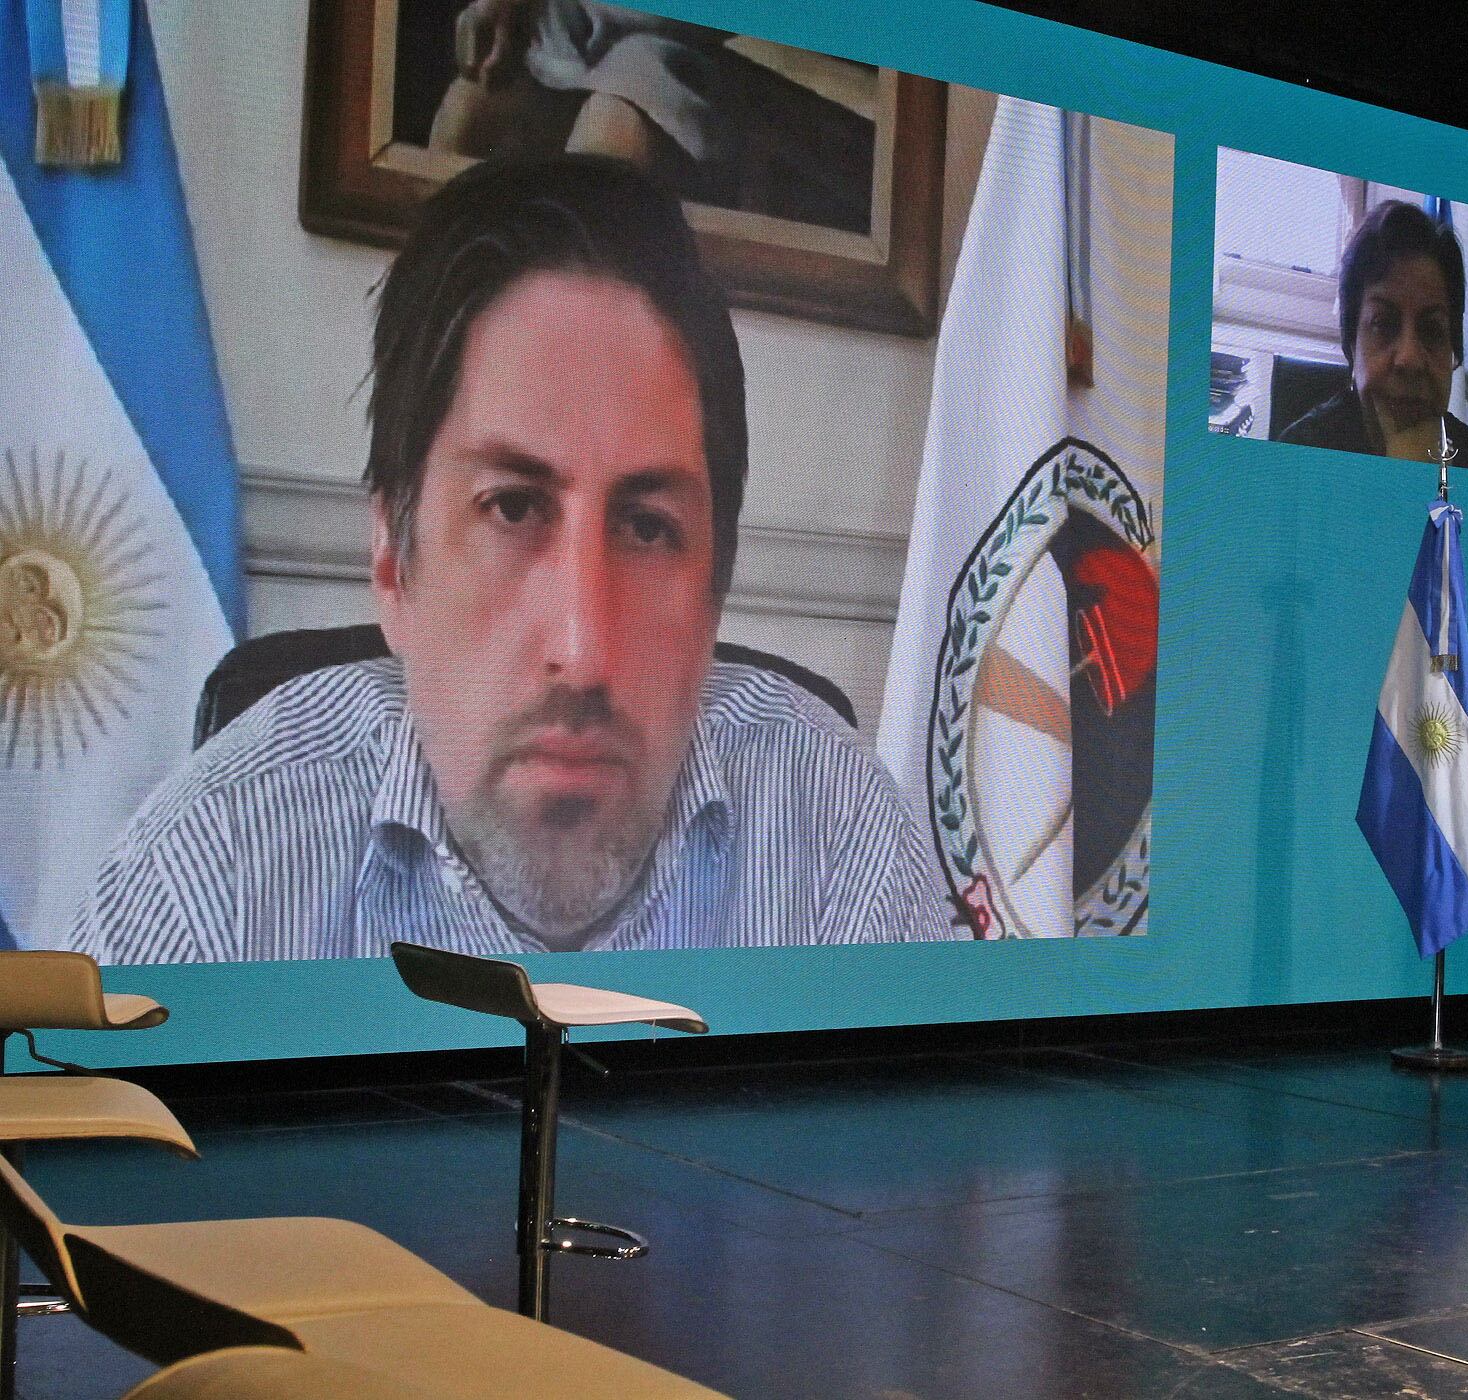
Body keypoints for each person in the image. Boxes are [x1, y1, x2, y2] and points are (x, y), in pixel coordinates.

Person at [70, 155, 958, 962]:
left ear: (715, 591)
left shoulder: (846, 844)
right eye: (513, 507)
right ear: (392, 560)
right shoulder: (208, 877)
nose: (584, 649)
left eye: (647, 527)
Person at [1276, 199, 1468, 473]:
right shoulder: (1297, 458)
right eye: (1383, 324)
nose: (1408, 359)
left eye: (1432, 330)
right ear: (1353, 340)